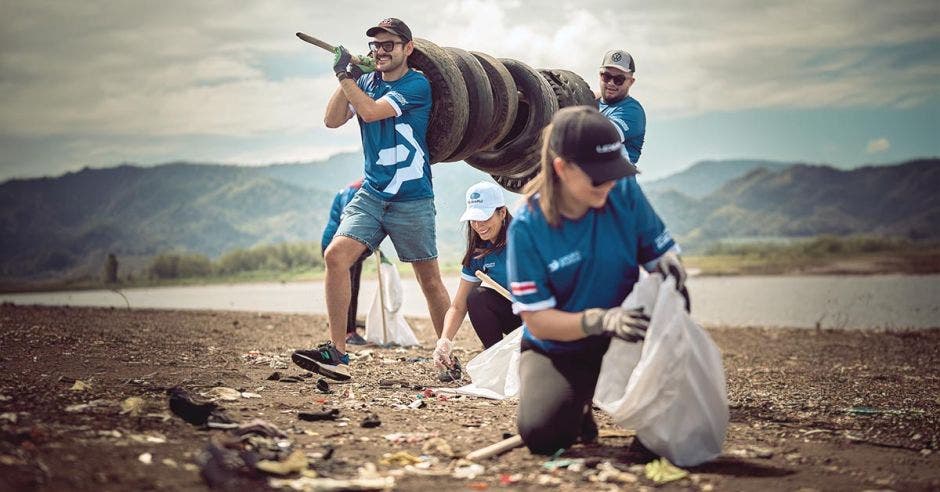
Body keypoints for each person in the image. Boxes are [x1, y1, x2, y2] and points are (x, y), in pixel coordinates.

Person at [507, 106, 687, 454]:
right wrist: (601, 320)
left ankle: (649, 415)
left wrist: (670, 265)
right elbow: (539, 321)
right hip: (560, 347)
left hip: (626, 337)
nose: (608, 183)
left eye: (614, 172)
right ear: (562, 168)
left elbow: (659, 258)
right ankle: (579, 406)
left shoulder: (623, 192)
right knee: (543, 436)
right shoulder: (527, 227)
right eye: (597, 176)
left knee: (678, 292)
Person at [292, 18, 451, 381]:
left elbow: (370, 111)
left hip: (412, 198)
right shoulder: (365, 81)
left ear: (407, 48)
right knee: (336, 257)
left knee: (429, 280)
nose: (380, 51)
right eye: (375, 46)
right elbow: (333, 120)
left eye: (388, 45)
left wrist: (346, 78)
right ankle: (337, 353)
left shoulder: (416, 84)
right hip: (373, 194)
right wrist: (347, 75)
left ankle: (447, 356)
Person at [432, 181, 521, 373]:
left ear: (502, 213)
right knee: (477, 297)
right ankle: (498, 362)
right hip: (516, 318)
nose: (478, 226)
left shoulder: (524, 237)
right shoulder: (477, 254)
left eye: (484, 218)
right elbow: (458, 306)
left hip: (543, 314)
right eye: (473, 219)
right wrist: (445, 340)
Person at [321, 178, 368, 346]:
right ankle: (348, 332)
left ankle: (350, 328)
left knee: (353, 287)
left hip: (351, 243)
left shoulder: (352, 188)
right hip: (339, 242)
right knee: (347, 287)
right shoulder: (356, 191)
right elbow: (348, 221)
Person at [597, 49, 646, 165]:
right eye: (606, 77)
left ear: (631, 82)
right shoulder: (591, 101)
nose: (611, 83)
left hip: (617, 181)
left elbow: (602, 137)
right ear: (600, 76)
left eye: (619, 79)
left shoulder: (632, 111)